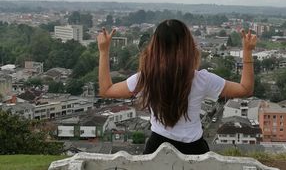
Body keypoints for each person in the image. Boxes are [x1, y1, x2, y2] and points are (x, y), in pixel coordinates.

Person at [98, 19, 257, 155]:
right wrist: (247, 52)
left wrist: (104, 51)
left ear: (155, 47)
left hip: (156, 149)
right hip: (195, 151)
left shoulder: (146, 78)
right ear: (188, 45)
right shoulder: (202, 80)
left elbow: (106, 90)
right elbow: (245, 89)